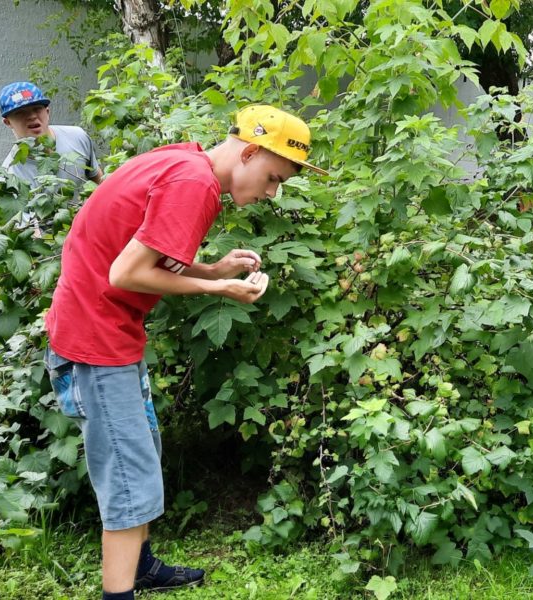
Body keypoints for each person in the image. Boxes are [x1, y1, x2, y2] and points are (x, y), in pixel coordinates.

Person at [43, 104, 328, 600]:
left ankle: (142, 567)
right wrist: (219, 292)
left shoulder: (188, 163)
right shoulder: (194, 184)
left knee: (143, 455)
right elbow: (125, 275)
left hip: (111, 332)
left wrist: (213, 270)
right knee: (129, 482)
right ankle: (120, 593)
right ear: (250, 151)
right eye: (272, 177)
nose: (270, 193)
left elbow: (144, 252)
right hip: (96, 341)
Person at [0, 81, 103, 186]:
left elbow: (99, 181)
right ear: (8, 122)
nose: (32, 116)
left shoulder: (77, 137)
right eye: (21, 112)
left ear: (47, 112)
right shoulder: (9, 178)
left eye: (37, 109)